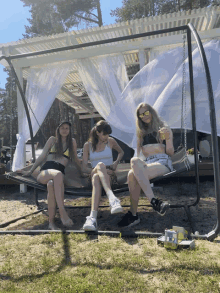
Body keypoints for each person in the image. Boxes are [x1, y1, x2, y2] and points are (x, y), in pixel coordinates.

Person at [118, 103, 174, 228]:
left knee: (132, 174)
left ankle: (133, 215)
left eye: (146, 113)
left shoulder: (163, 129)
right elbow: (137, 155)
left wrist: (168, 138)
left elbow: (170, 153)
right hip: (148, 164)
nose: (144, 116)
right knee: (132, 169)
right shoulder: (141, 133)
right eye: (141, 115)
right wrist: (138, 165)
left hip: (162, 162)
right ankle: (154, 202)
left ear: (151, 112)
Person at [17, 121, 82, 230]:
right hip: (45, 172)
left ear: (70, 130)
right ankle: (62, 213)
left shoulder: (72, 142)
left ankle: (51, 223)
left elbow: (75, 159)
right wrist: (30, 171)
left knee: (51, 185)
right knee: (57, 175)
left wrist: (81, 172)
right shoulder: (53, 140)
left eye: (67, 128)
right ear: (58, 129)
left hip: (58, 175)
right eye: (62, 128)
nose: (64, 130)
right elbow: (42, 157)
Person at [81, 120, 124, 231]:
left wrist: (116, 162)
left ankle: (92, 218)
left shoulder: (111, 141)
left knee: (97, 177)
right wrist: (98, 169)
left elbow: (121, 152)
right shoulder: (87, 145)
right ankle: (112, 198)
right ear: (97, 132)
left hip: (109, 173)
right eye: (104, 134)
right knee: (99, 167)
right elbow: (84, 167)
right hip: (94, 171)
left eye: (108, 134)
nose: (107, 136)